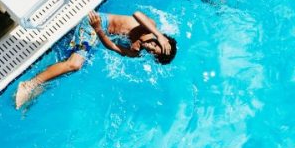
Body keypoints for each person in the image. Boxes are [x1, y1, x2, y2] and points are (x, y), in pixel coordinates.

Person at [15, 10, 178, 108]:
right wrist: (159, 35)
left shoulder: (136, 51)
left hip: (96, 29)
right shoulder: (150, 27)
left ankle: (40, 84)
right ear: (160, 39)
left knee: (72, 67)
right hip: (94, 21)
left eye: (153, 52)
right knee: (75, 64)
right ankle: (29, 85)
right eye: (155, 45)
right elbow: (137, 14)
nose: (150, 47)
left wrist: (99, 30)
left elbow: (112, 46)